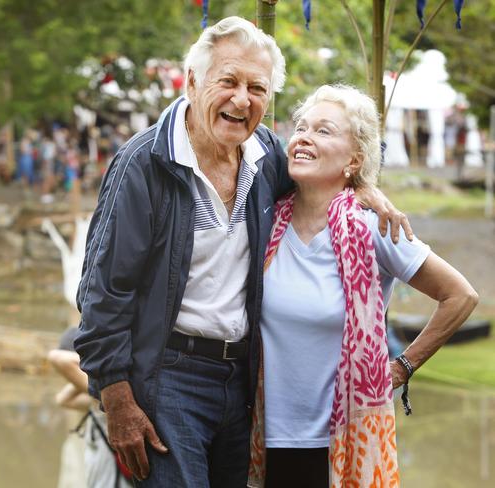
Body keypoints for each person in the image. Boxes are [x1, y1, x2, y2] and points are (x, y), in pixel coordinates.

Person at [74, 17, 410, 487]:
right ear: (192, 81)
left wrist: (365, 188)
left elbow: (328, 174)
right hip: (169, 374)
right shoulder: (143, 164)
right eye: (228, 81)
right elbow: (102, 292)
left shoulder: (268, 156)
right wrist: (116, 398)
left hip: (245, 378)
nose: (242, 99)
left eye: (257, 88)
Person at [248, 84, 478, 487]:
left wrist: (403, 367)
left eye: (323, 130)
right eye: (300, 127)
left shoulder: (373, 227)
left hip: (338, 441)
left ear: (354, 159)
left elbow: (459, 296)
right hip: (259, 438)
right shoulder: (266, 219)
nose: (303, 136)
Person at [49, 328, 134, 488]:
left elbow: (56, 358)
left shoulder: (108, 397)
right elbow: (62, 399)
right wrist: (93, 377)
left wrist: (93, 364)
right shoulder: (95, 397)